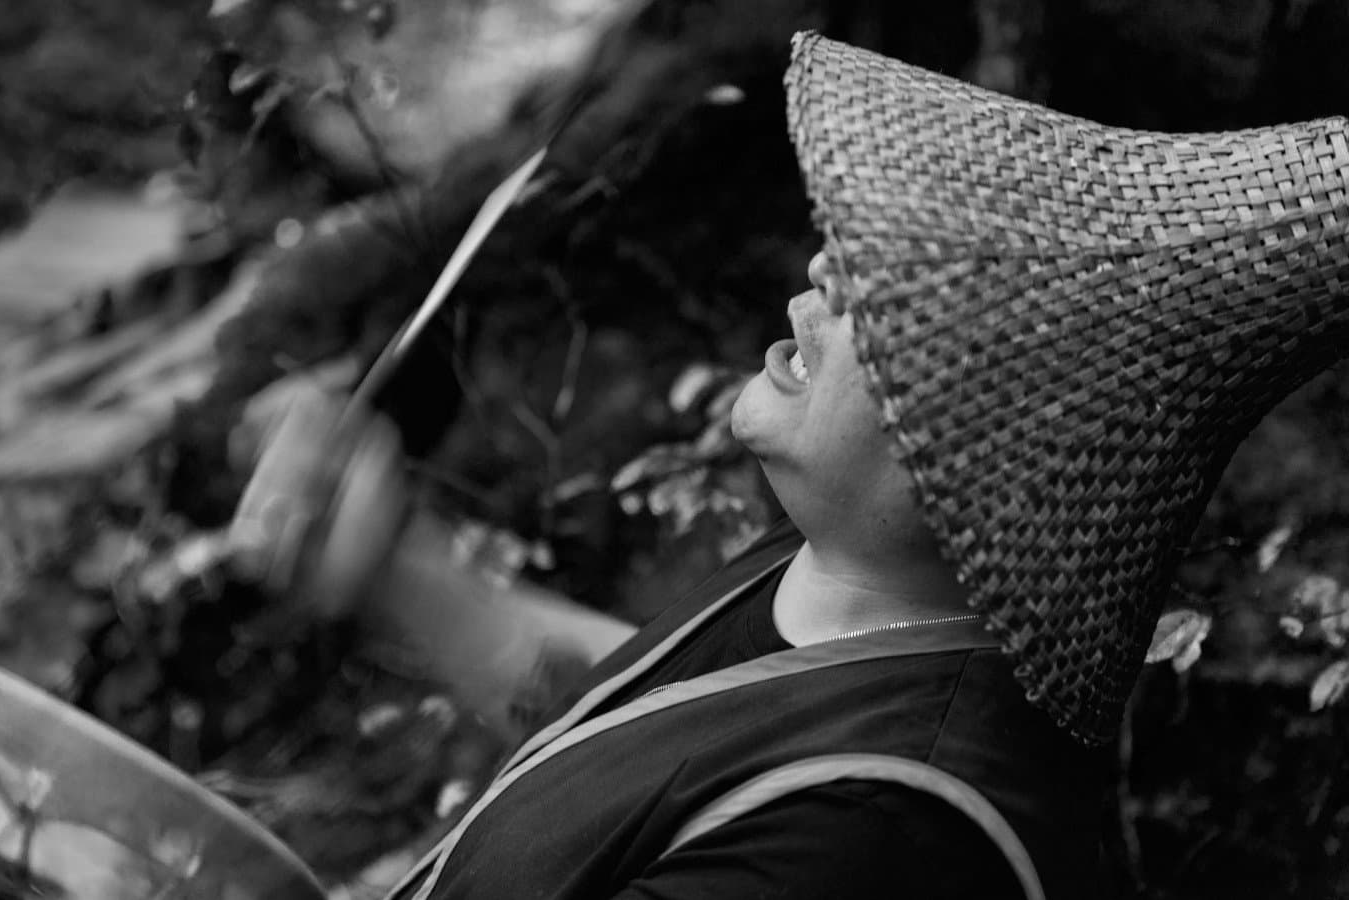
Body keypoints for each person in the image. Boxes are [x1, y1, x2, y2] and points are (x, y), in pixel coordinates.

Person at [353, 31, 1349, 900]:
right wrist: (395, 566)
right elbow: (632, 755)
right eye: (847, 252)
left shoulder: (877, 840)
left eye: (892, 298)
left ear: (991, 452)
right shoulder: (842, 582)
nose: (814, 283)